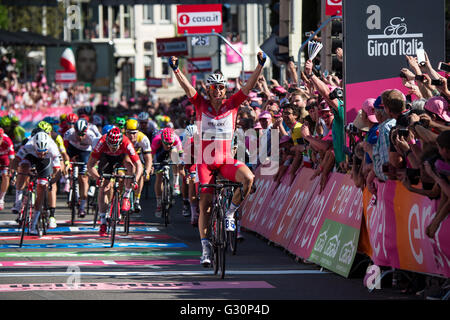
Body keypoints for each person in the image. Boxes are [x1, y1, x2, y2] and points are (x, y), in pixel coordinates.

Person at [168, 51, 266, 266]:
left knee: (248, 179)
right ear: (209, 89)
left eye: (221, 87)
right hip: (205, 162)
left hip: (226, 160)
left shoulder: (233, 104)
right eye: (215, 87)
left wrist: (259, 66)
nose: (218, 90)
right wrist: (176, 69)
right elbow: (187, 87)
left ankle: (231, 212)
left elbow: (248, 87)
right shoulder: (200, 104)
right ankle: (205, 249)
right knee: (206, 205)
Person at [86, 127, 143, 236]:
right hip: (106, 159)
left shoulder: (126, 142)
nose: (112, 148)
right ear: (107, 141)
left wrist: (135, 179)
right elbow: (90, 165)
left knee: (130, 167)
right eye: (110, 145)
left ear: (120, 142)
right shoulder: (101, 142)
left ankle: (126, 195)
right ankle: (103, 222)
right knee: (104, 187)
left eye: (115, 146)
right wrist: (98, 177)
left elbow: (139, 165)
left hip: (122, 157)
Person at [11, 132, 61, 234]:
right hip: (30, 157)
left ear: (47, 148)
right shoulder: (28, 145)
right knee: (23, 169)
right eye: (39, 152)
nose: (41, 154)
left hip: (45, 162)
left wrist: (51, 182)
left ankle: (33, 224)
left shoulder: (53, 148)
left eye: (43, 152)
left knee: (41, 187)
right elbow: (16, 160)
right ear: (34, 146)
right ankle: (18, 202)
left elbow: (57, 172)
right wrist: (15, 173)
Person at [64, 118, 100, 217]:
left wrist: (92, 165)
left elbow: (95, 155)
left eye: (82, 134)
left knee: (84, 178)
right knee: (65, 165)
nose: (80, 137)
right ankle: (68, 181)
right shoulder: (69, 133)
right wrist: (68, 161)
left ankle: (82, 207)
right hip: (72, 149)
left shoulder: (91, 136)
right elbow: (64, 151)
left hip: (86, 152)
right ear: (74, 130)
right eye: (78, 134)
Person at [150, 127, 183, 218]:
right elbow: (151, 156)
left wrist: (180, 164)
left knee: (174, 153)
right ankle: (159, 204)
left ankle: (176, 183)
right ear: (162, 140)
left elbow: (181, 155)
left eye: (170, 144)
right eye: (166, 144)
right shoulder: (156, 140)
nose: (168, 145)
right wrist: (151, 166)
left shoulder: (176, 139)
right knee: (159, 176)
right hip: (159, 151)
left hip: (173, 151)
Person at [124, 118, 153, 212]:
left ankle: (137, 200)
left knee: (141, 173)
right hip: (125, 154)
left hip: (137, 155)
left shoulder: (143, 138)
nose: (132, 136)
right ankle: (123, 195)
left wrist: (147, 172)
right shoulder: (122, 138)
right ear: (125, 132)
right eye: (129, 133)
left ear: (138, 132)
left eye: (134, 133)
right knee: (128, 170)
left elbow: (148, 157)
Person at [0, 128, 14, 210]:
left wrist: (11, 169)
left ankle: (1, 198)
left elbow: (12, 158)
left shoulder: (7, 141)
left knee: (5, 176)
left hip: (5, 158)